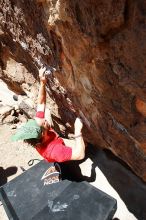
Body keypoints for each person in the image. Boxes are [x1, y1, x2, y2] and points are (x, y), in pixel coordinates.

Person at [12, 67, 86, 163]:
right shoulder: (54, 151)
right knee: (82, 146)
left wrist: (42, 82)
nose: (44, 120)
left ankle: (60, 137)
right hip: (56, 148)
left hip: (51, 139)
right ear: (43, 134)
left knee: (46, 111)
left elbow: (41, 103)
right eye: (44, 123)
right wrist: (77, 130)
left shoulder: (37, 129)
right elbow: (79, 155)